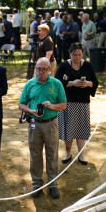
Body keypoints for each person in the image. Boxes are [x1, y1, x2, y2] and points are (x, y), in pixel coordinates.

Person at [19, 57, 67, 199]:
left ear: (49, 70)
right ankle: (37, 184)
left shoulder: (56, 84)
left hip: (51, 123)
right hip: (34, 124)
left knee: (52, 153)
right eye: (38, 69)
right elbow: (21, 104)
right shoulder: (30, 84)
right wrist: (30, 111)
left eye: (44, 69)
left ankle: (52, 184)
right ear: (35, 69)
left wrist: (51, 106)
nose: (41, 71)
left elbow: (63, 104)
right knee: (35, 154)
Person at [56, 43, 98, 163]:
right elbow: (57, 83)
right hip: (67, 103)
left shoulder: (88, 65)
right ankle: (68, 153)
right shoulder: (64, 66)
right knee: (68, 129)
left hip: (83, 102)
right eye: (75, 55)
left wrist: (88, 83)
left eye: (80, 54)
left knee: (81, 129)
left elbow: (95, 82)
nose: (77, 57)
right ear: (70, 54)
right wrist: (71, 83)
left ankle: (81, 154)